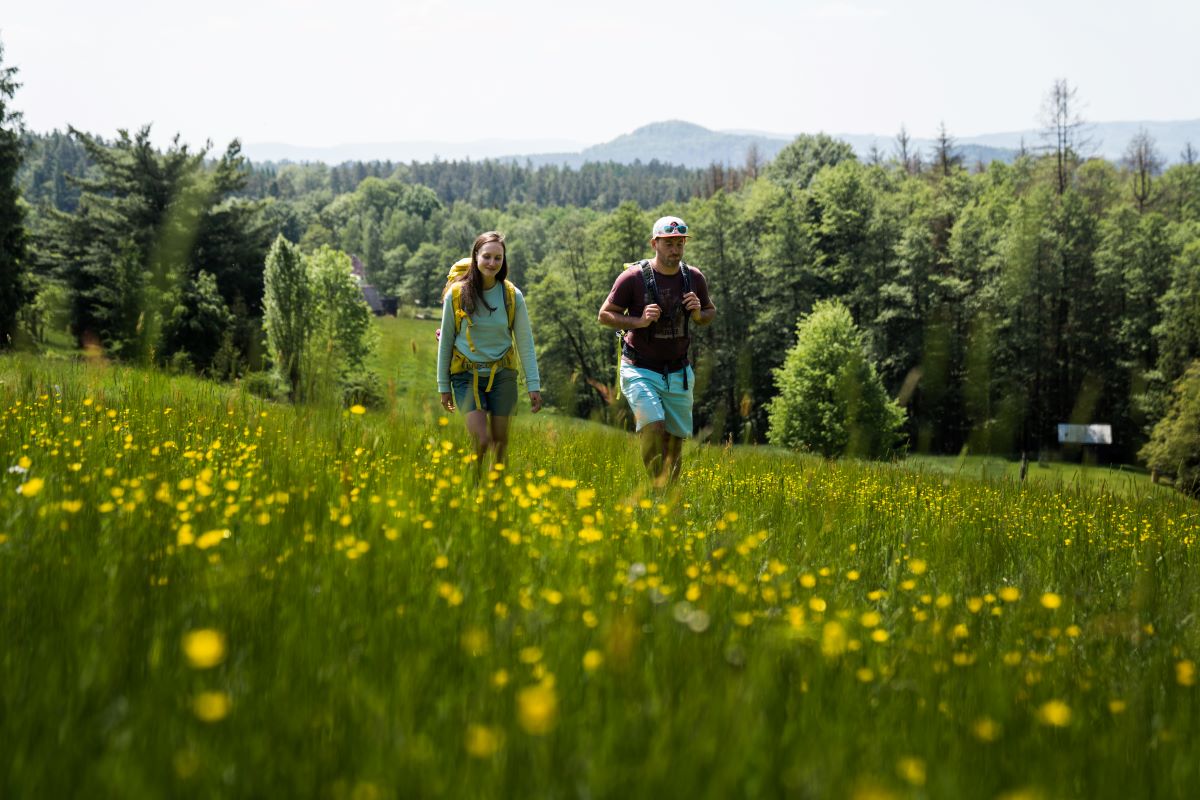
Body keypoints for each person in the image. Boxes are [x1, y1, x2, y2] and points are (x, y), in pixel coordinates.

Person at [598, 215, 716, 485]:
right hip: (639, 367)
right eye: (669, 244)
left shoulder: (694, 277)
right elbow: (604, 315)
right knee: (653, 427)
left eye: (679, 243)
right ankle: (655, 489)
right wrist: (638, 321)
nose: (675, 250)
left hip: (678, 371)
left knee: (674, 443)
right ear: (655, 243)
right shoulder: (633, 278)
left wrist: (698, 313)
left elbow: (709, 312)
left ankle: (670, 500)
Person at [437, 231, 542, 468]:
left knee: (500, 445)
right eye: (487, 256)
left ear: (504, 260)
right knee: (482, 441)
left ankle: (495, 498)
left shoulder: (513, 296)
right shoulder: (456, 295)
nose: (492, 263)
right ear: (475, 257)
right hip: (465, 376)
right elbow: (446, 343)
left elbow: (525, 342)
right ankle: (474, 488)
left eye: (498, 258)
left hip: (502, 376)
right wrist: (444, 386)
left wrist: (533, 384)